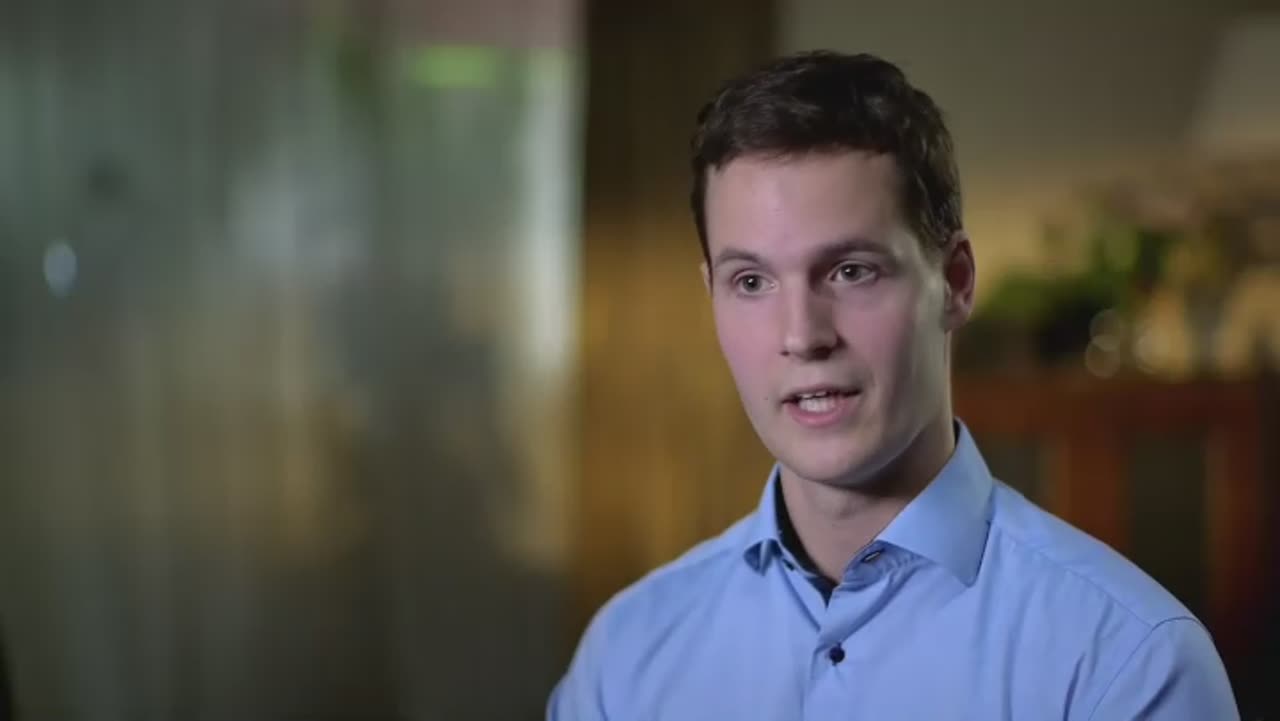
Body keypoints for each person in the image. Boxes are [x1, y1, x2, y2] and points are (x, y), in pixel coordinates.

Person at [547, 50, 1239, 720]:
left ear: (955, 282)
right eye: (751, 281)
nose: (802, 335)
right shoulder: (625, 659)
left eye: (851, 271)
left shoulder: (1125, 665)